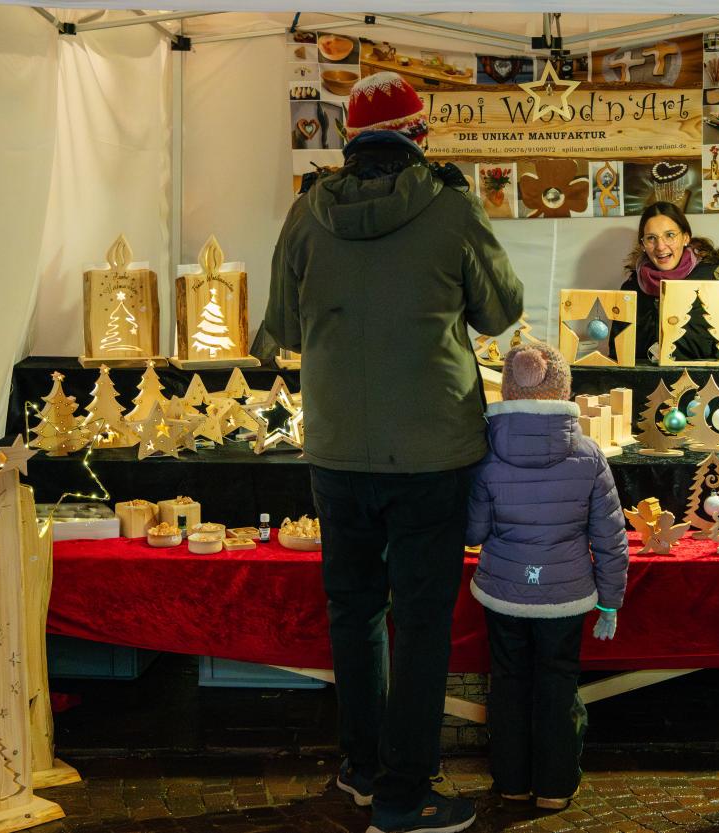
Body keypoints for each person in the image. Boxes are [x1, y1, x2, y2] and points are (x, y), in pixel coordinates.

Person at [264, 71, 524, 833]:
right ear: (419, 136)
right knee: (420, 620)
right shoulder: (451, 207)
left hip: (337, 448)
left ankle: (362, 767)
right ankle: (405, 795)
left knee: (353, 612)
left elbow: (283, 326)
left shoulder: (306, 212)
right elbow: (501, 311)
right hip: (431, 450)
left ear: (350, 140)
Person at [466, 342, 628, 811]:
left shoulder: (486, 456)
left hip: (503, 590)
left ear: (508, 389)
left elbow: (473, 533)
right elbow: (610, 537)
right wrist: (610, 602)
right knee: (557, 683)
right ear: (564, 390)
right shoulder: (589, 455)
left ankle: (511, 782)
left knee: (508, 681)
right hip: (566, 593)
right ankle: (555, 787)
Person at [620, 201, 719, 364]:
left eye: (670, 235)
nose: (660, 246)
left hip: (706, 379)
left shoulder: (717, 281)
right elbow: (618, 352)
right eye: (651, 238)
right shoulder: (631, 289)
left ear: (685, 238)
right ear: (643, 245)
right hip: (643, 379)